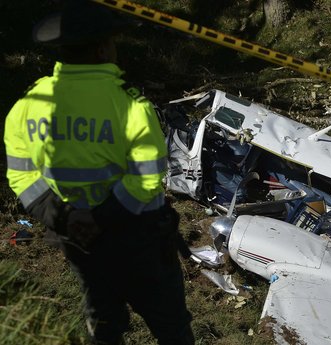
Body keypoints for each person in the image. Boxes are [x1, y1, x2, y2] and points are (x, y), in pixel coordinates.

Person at [3, 1, 194, 344]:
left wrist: (65, 218)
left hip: (79, 241)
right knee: (171, 327)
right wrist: (102, 217)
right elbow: (147, 176)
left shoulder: (27, 105)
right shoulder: (130, 105)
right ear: (103, 47)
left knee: (103, 322)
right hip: (139, 241)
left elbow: (21, 175)